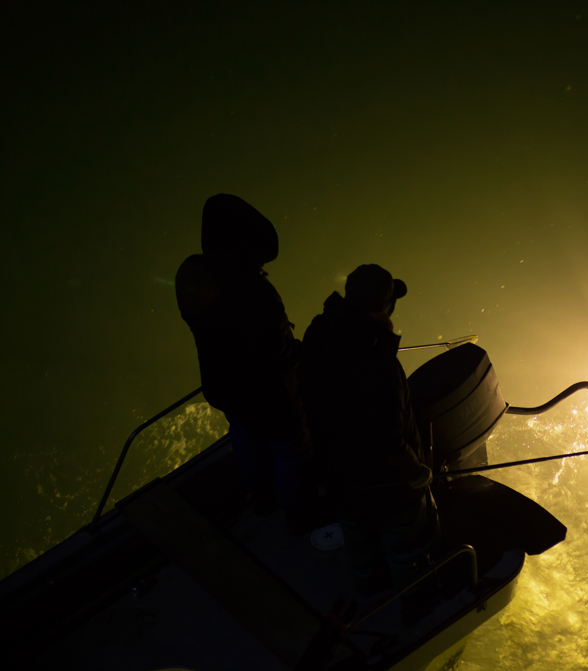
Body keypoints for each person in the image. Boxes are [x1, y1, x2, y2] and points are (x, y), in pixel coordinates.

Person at [301, 264, 439, 625]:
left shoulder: (320, 332)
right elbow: (387, 438)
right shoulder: (379, 363)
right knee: (407, 548)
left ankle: (372, 596)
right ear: (386, 306)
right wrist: (417, 473)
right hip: (384, 485)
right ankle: (419, 612)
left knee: (359, 540)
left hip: (336, 474)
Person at [175, 194, 314, 532]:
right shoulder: (255, 291)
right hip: (268, 395)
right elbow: (274, 354)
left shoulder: (191, 273)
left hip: (224, 387)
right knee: (289, 450)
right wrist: (300, 352)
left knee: (244, 436)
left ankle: (262, 501)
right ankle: (298, 516)